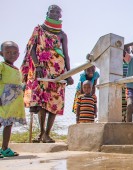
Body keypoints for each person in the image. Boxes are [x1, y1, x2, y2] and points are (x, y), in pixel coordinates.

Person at [21, 5, 74, 143]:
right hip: (42, 69)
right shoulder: (39, 30)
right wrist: (37, 65)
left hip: (58, 72)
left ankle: (47, 134)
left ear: (60, 16)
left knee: (54, 102)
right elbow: (31, 49)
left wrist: (69, 73)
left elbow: (66, 55)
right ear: (47, 13)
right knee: (42, 102)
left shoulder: (62, 34)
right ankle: (42, 133)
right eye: (52, 11)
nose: (55, 13)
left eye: (57, 12)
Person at [0, 41, 26, 157]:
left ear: (19, 54)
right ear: (2, 53)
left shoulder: (16, 69)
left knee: (9, 124)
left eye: (15, 53)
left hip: (13, 102)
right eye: (8, 52)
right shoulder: (2, 66)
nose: (12, 54)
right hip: (3, 100)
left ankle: (5, 148)